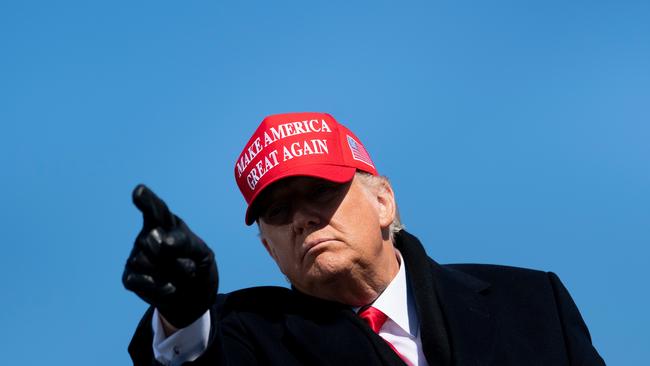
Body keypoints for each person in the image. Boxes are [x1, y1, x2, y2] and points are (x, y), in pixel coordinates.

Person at [123, 112, 605, 365]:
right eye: (277, 211)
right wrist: (183, 317)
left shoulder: (532, 304)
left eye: (320, 192)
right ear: (269, 248)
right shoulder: (241, 334)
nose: (302, 220)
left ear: (383, 202)